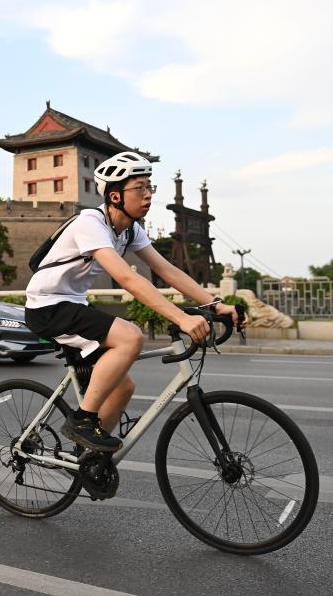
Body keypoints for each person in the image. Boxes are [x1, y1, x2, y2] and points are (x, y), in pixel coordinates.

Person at [24, 151, 245, 452]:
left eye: (150, 187)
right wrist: (181, 318)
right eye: (139, 188)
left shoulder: (130, 230)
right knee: (130, 336)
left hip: (73, 304)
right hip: (47, 306)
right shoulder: (90, 222)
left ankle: (88, 457)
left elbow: (166, 270)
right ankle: (82, 420)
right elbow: (128, 279)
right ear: (115, 196)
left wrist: (215, 304)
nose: (148, 195)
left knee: (124, 386)